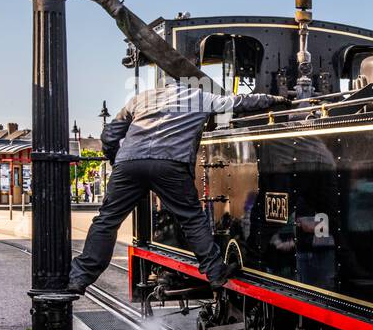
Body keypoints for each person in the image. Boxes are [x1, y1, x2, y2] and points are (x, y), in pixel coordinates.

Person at [67, 81, 287, 293]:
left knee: (106, 221)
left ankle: (79, 278)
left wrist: (116, 159)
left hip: (129, 164)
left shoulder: (139, 99)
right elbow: (238, 102)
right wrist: (275, 98)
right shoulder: (198, 97)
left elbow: (110, 135)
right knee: (191, 218)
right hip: (170, 163)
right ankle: (215, 271)